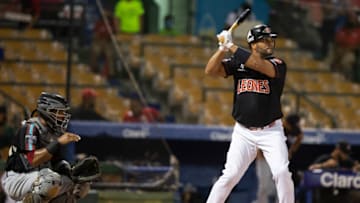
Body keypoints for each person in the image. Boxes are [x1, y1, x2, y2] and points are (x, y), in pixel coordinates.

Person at [204, 24, 294, 203]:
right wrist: (222, 49)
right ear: (253, 44)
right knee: (230, 176)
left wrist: (231, 46)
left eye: (271, 39)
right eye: (264, 39)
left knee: (281, 172)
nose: (270, 42)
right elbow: (211, 70)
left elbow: (258, 65)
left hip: (270, 131)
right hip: (243, 132)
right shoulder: (238, 63)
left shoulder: (277, 64)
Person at [0, 92, 92, 202]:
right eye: (60, 112)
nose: (63, 116)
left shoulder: (53, 133)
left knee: (79, 183)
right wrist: (58, 143)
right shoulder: (30, 128)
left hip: (38, 180)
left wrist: (71, 171)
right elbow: (31, 160)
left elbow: (57, 162)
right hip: (18, 179)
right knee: (50, 180)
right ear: (48, 111)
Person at [90, 10, 118, 79]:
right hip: (99, 42)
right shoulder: (99, 23)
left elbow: (115, 34)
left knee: (110, 54)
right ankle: (94, 69)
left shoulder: (112, 24)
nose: (106, 16)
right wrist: (98, 37)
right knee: (95, 51)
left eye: (107, 15)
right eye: (104, 15)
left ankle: (111, 74)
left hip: (108, 42)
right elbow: (95, 34)